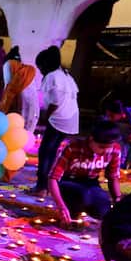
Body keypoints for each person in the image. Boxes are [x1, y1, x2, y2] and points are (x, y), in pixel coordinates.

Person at [48, 120, 123, 224]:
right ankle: (72, 208)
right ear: (91, 139)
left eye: (109, 148)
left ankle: (84, 206)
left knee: (103, 211)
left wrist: (118, 200)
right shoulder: (72, 148)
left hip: (91, 183)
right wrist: (61, 207)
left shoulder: (115, 150)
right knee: (83, 195)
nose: (105, 151)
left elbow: (113, 177)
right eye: (101, 147)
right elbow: (53, 178)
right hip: (68, 182)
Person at [32, 45, 80, 195]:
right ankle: (45, 186)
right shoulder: (65, 75)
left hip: (60, 118)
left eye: (40, 67)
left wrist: (46, 117)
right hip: (70, 118)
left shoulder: (53, 76)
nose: (40, 70)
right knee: (51, 152)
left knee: (45, 152)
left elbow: (55, 102)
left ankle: (41, 187)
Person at [0, 46, 39, 133]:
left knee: (19, 120)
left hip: (20, 98)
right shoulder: (28, 69)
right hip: (33, 101)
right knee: (28, 122)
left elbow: (8, 86)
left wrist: (3, 105)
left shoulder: (8, 64)